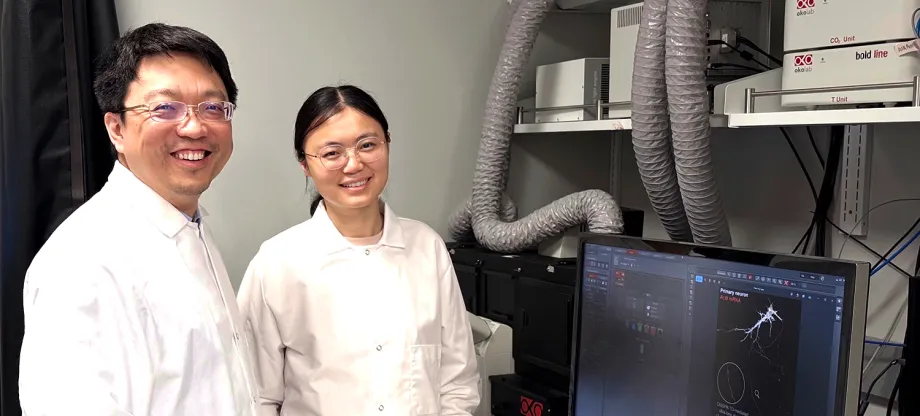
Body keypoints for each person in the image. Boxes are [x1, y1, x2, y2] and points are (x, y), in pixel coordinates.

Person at [18, 23, 258, 415]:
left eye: (213, 107)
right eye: (165, 107)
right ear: (116, 128)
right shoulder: (82, 263)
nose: (195, 126)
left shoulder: (189, 227)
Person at [237, 85, 481, 415]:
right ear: (305, 165)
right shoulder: (277, 263)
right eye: (332, 153)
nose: (354, 165)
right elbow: (257, 397)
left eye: (367, 145)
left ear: (387, 143)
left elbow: (457, 382)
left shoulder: (427, 247)